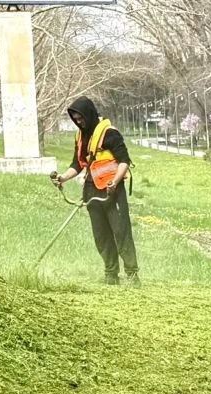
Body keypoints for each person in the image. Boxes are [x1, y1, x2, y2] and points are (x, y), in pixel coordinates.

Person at [50, 97, 139, 286]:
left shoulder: (109, 134)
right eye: (75, 119)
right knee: (101, 235)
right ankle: (111, 274)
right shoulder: (80, 136)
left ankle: (132, 274)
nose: (78, 122)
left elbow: (124, 160)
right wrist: (63, 178)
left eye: (80, 118)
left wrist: (115, 181)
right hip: (91, 190)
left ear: (89, 114)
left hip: (112, 190)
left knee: (121, 231)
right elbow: (78, 164)